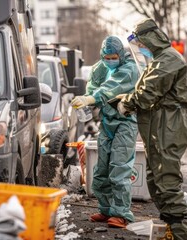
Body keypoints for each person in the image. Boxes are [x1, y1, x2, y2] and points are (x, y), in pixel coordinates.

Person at [118, 18, 187, 240]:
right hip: (159, 122)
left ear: (151, 39)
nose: (141, 48)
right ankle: (171, 227)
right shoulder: (160, 59)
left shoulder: (168, 58)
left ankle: (180, 233)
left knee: (166, 177)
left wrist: (127, 103)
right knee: (156, 177)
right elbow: (146, 89)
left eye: (142, 43)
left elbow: (148, 90)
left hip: (168, 123)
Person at [71, 36, 140, 228]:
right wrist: (86, 99)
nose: (110, 60)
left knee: (119, 168)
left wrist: (91, 99)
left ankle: (121, 213)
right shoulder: (100, 68)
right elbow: (93, 88)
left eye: (113, 57)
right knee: (101, 169)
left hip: (125, 123)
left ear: (120, 55)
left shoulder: (129, 69)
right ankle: (106, 209)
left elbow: (111, 88)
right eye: (106, 57)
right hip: (107, 122)